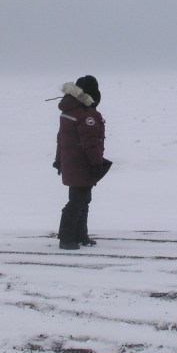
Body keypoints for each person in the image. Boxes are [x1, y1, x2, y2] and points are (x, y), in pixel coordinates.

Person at [53, 75, 111, 250]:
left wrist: (59, 160)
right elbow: (90, 143)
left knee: (82, 199)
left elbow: (61, 139)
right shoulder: (86, 114)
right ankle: (67, 238)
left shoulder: (69, 111)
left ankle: (79, 236)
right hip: (82, 164)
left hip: (71, 163)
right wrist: (96, 164)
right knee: (78, 201)